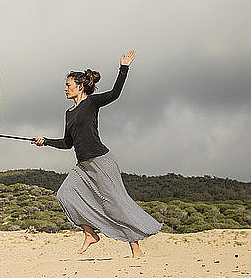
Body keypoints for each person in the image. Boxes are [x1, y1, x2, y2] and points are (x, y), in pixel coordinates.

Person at [32, 50, 162, 257]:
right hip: (83, 166)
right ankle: (90, 232)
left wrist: (124, 68)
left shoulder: (91, 103)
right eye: (65, 85)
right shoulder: (69, 113)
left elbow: (115, 94)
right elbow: (68, 143)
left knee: (115, 204)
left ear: (80, 86)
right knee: (65, 195)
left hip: (101, 162)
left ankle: (135, 248)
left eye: (68, 85)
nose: (65, 89)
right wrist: (45, 141)